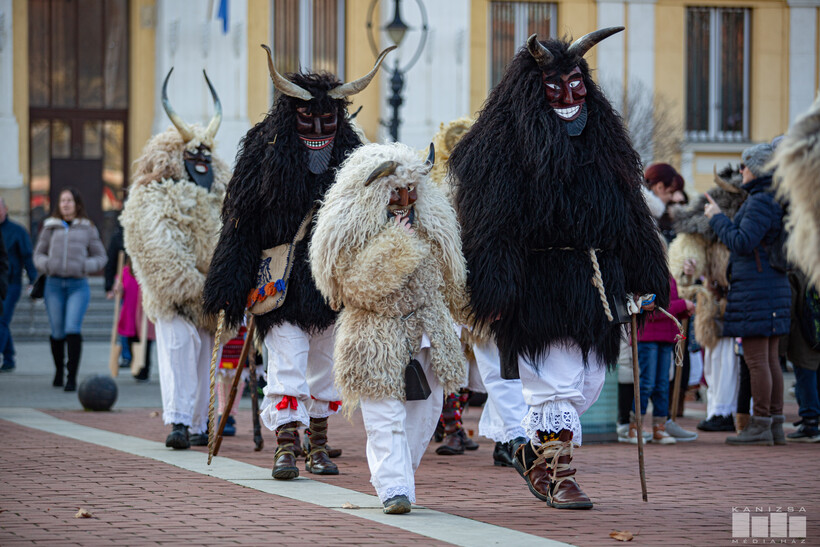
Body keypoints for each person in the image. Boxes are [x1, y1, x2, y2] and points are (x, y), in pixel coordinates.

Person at [449, 28, 669, 509]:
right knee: (558, 383)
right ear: (533, 92)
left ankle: (532, 453)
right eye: (554, 88)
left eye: (576, 85)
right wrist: (495, 289)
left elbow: (632, 219)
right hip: (539, 286)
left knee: (588, 382)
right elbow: (490, 228)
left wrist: (646, 279)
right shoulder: (500, 151)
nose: (569, 98)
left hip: (597, 285)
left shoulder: (606, 149)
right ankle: (559, 475)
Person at [203, 46, 394, 479]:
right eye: (308, 119)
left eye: (328, 120)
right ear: (291, 118)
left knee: (325, 368)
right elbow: (240, 224)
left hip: (329, 285)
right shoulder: (262, 153)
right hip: (280, 282)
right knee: (287, 363)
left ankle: (318, 446)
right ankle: (286, 447)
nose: (319, 129)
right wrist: (230, 284)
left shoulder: (353, 159)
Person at [309, 142, 467, 514]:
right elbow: (357, 287)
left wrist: (466, 310)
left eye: (411, 189)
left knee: (425, 412)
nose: (405, 199)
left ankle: (400, 475)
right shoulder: (349, 230)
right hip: (375, 333)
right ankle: (394, 487)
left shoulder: (433, 221)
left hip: (429, 329)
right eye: (395, 190)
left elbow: (451, 277)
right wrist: (396, 243)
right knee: (384, 412)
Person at [121, 70, 227, 449]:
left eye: (206, 154)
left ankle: (200, 422)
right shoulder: (154, 194)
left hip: (211, 296)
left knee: (206, 358)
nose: (201, 160)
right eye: (192, 154)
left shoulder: (221, 197)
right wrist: (190, 286)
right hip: (173, 296)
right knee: (179, 348)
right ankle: (179, 420)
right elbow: (156, 245)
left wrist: (225, 282)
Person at [705, 143, 791, 445]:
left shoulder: (760, 201)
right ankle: (774, 425)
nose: (741, 170)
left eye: (745, 165)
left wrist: (717, 218)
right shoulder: (773, 197)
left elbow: (742, 241)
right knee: (769, 359)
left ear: (757, 168)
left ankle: (761, 425)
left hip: (757, 290)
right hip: (770, 288)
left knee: (757, 360)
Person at [668, 166, 747, 433]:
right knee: (714, 362)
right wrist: (691, 270)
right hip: (714, 299)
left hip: (733, 298)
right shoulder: (711, 228)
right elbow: (695, 253)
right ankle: (717, 410)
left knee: (729, 362)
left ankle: (727, 411)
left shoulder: (739, 219)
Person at [33, 188, 106, 391]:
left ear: (77, 204)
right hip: (53, 285)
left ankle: (71, 377)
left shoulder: (87, 228)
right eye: (62, 200)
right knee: (57, 331)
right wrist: (47, 265)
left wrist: (84, 265)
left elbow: (101, 256)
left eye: (69, 200)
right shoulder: (50, 227)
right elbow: (38, 254)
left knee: (72, 328)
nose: (65, 204)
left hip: (78, 286)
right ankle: (59, 371)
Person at [629, 274, 693, 444]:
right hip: (647, 337)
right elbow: (650, 309)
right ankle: (635, 427)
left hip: (666, 338)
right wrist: (682, 305)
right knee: (646, 384)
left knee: (663, 385)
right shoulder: (643, 276)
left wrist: (684, 311)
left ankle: (659, 427)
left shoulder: (668, 276)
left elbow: (667, 309)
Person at [0, 197, 37, 372]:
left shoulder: (17, 231)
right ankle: (9, 358)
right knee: (3, 322)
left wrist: (33, 280)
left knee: (2, 320)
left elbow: (27, 256)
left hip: (11, 283)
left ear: (5, 209)